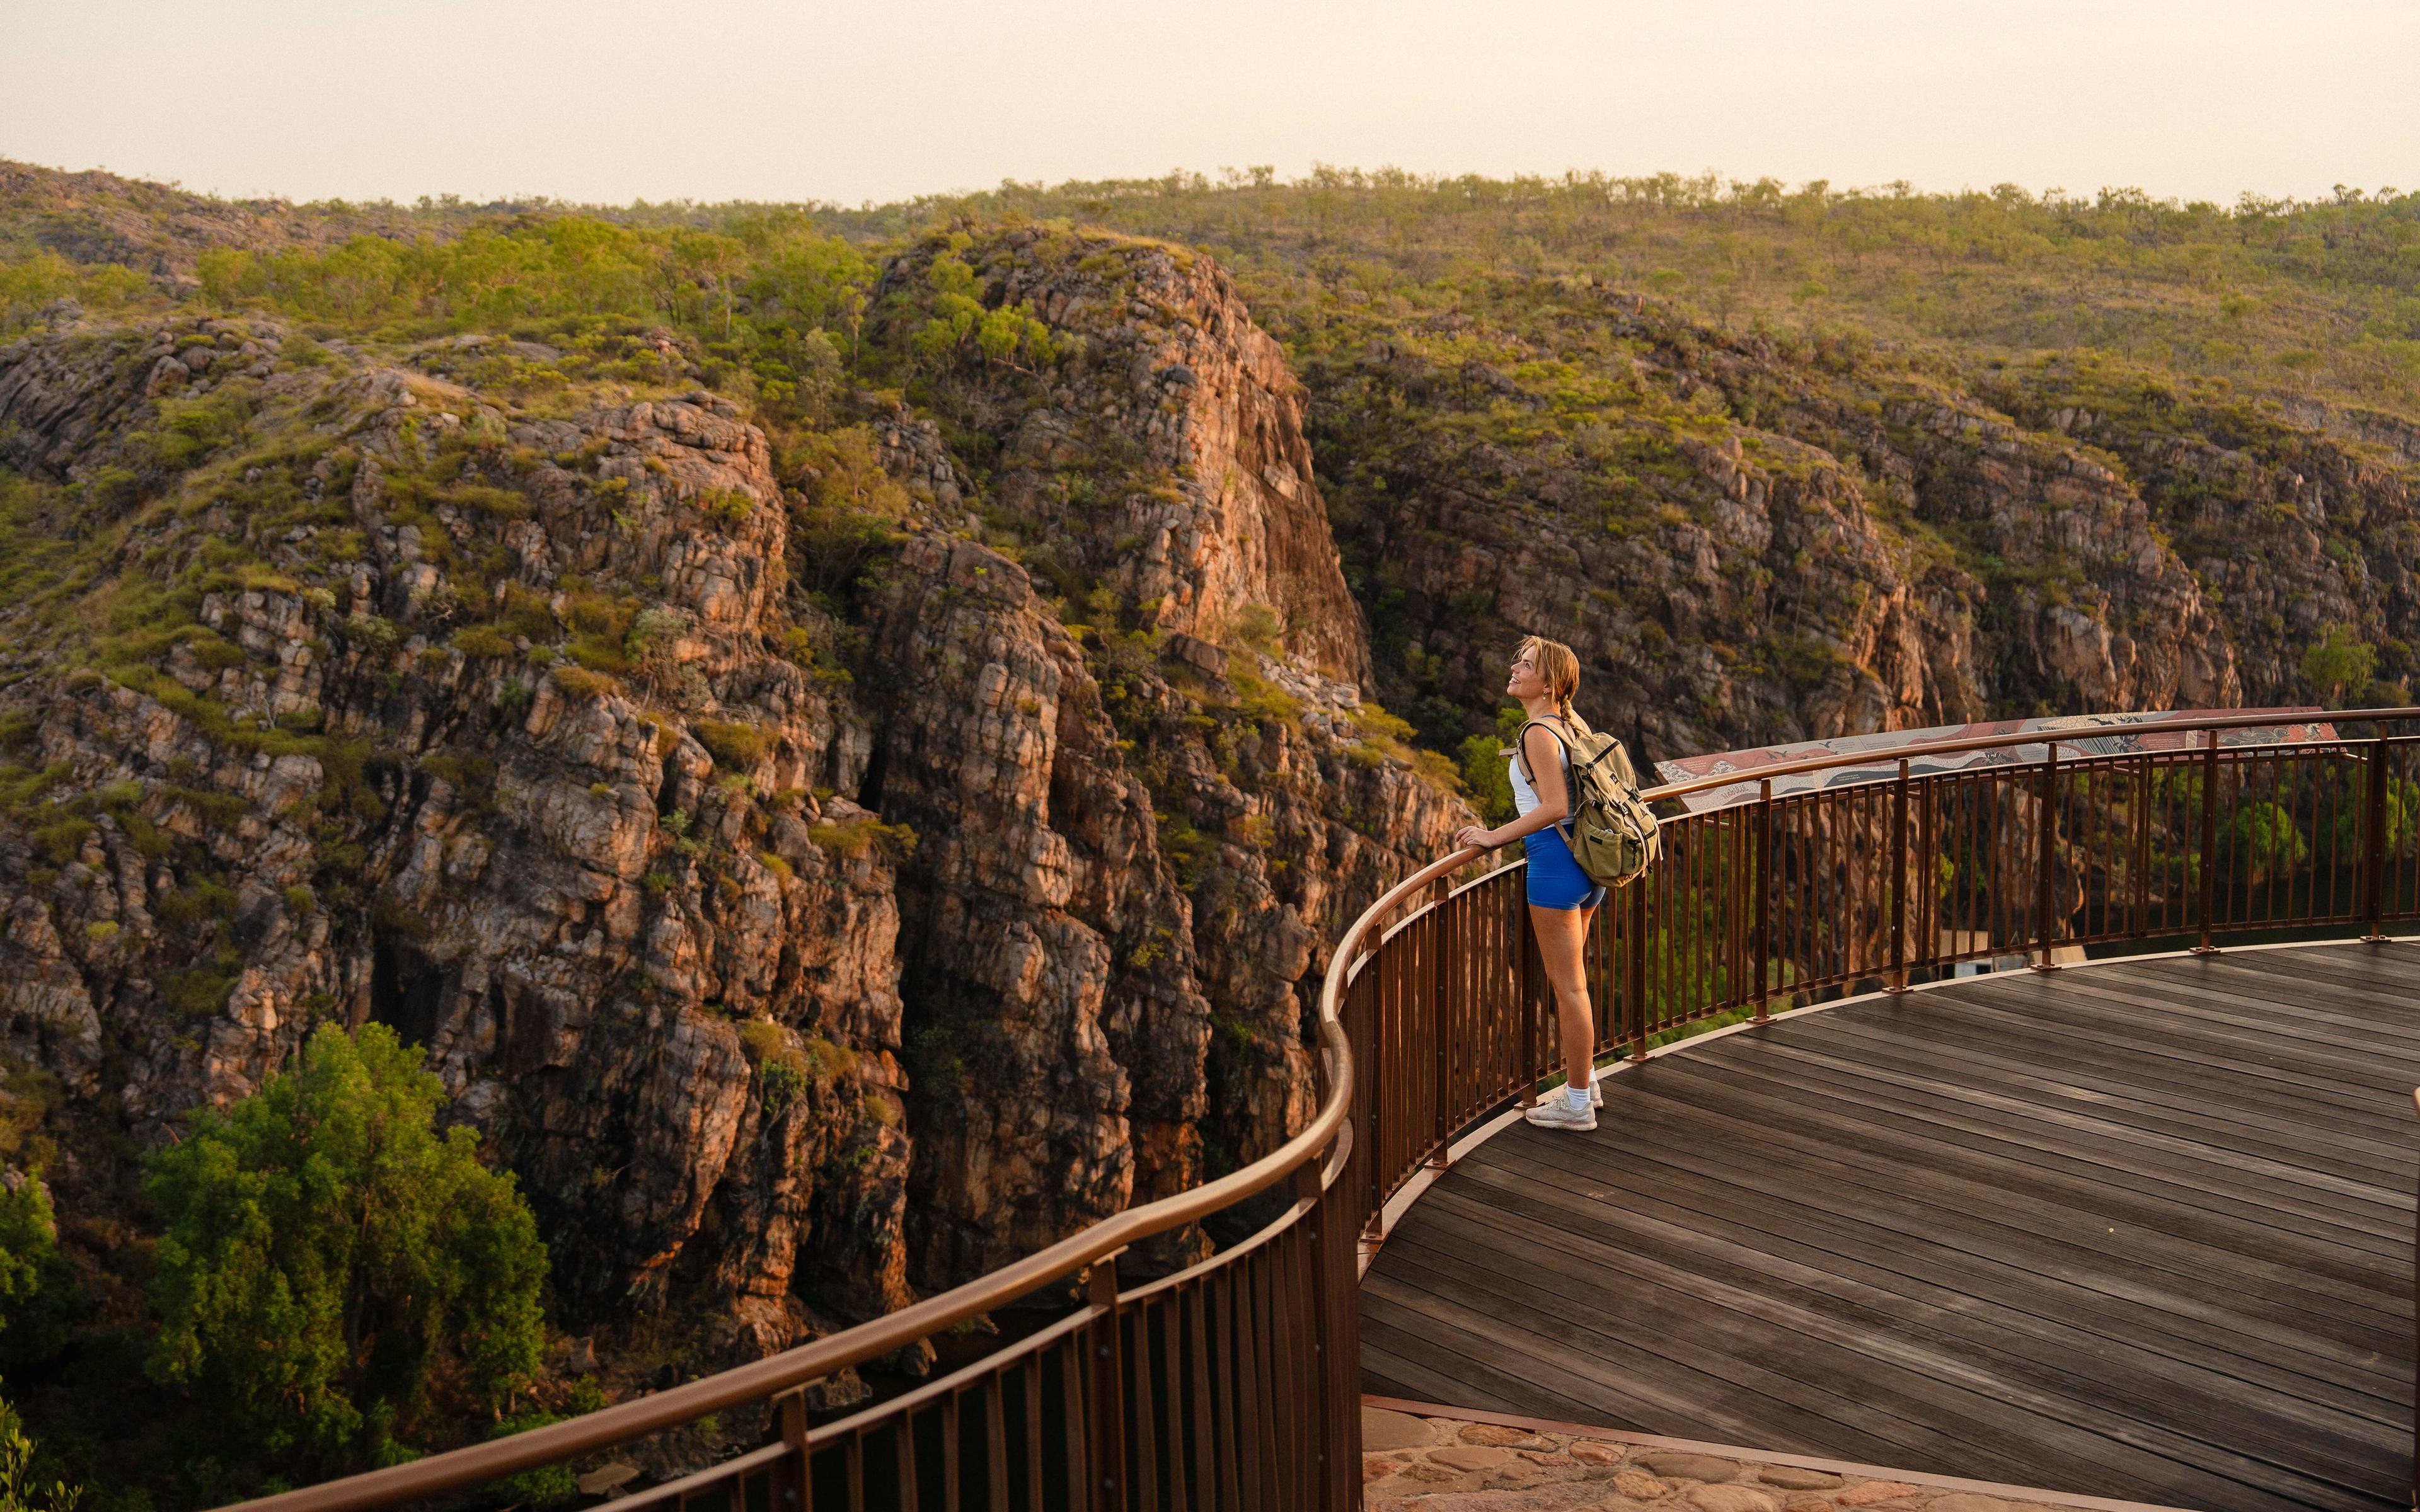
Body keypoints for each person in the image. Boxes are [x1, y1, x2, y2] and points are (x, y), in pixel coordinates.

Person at [1452, 635, 1606, 1131]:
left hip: (1555, 866)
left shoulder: (1538, 732)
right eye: (1518, 659)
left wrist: (1493, 837)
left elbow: (1555, 806)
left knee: (1569, 989)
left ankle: (1578, 1104)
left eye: (1527, 664)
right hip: (1587, 866)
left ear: (1550, 683)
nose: (1515, 668)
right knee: (1575, 984)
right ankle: (1587, 1081)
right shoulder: (1570, 725)